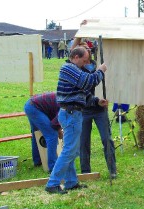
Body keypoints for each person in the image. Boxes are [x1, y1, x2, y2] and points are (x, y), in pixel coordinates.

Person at [45, 46, 108, 194]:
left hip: (72, 113)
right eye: (84, 61)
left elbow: (83, 94)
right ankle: (53, 183)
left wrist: (97, 101)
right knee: (69, 150)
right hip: (71, 114)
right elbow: (88, 82)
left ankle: (71, 182)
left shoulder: (75, 70)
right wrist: (100, 71)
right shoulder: (69, 68)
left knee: (71, 150)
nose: (86, 64)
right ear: (75, 57)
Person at [70, 35, 116, 178]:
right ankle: (85, 172)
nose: (87, 52)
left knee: (107, 139)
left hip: (97, 107)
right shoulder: (76, 69)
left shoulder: (95, 64)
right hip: (84, 110)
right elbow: (72, 51)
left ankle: (112, 170)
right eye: (84, 50)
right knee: (84, 142)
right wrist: (79, 34)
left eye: (88, 50)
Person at [24, 92, 62, 172]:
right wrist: (59, 131)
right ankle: (53, 167)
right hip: (34, 107)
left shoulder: (65, 99)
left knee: (37, 133)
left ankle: (37, 161)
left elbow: (54, 117)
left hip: (30, 105)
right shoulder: (65, 106)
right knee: (52, 135)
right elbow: (55, 123)